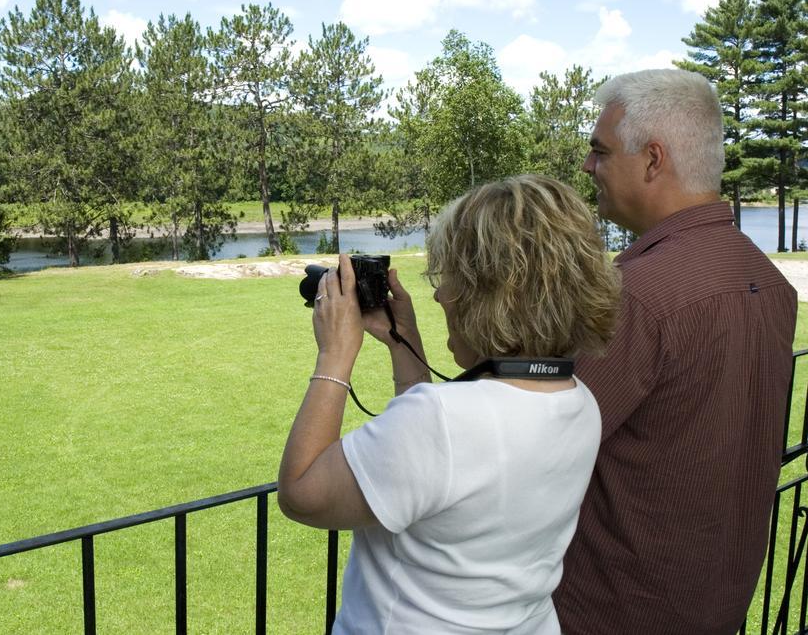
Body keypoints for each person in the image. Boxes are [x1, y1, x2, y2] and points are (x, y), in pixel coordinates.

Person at [278, 174, 621, 634]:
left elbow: (302, 495)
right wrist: (405, 343)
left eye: (451, 277)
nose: (440, 294)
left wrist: (335, 355)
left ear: (490, 290)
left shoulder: (443, 422)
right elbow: (436, 469)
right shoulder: (580, 403)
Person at [552, 69, 798, 634]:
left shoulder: (639, 293)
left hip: (613, 614)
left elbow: (532, 446)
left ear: (653, 159)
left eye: (599, 150)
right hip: (717, 604)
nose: (589, 167)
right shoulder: (766, 281)